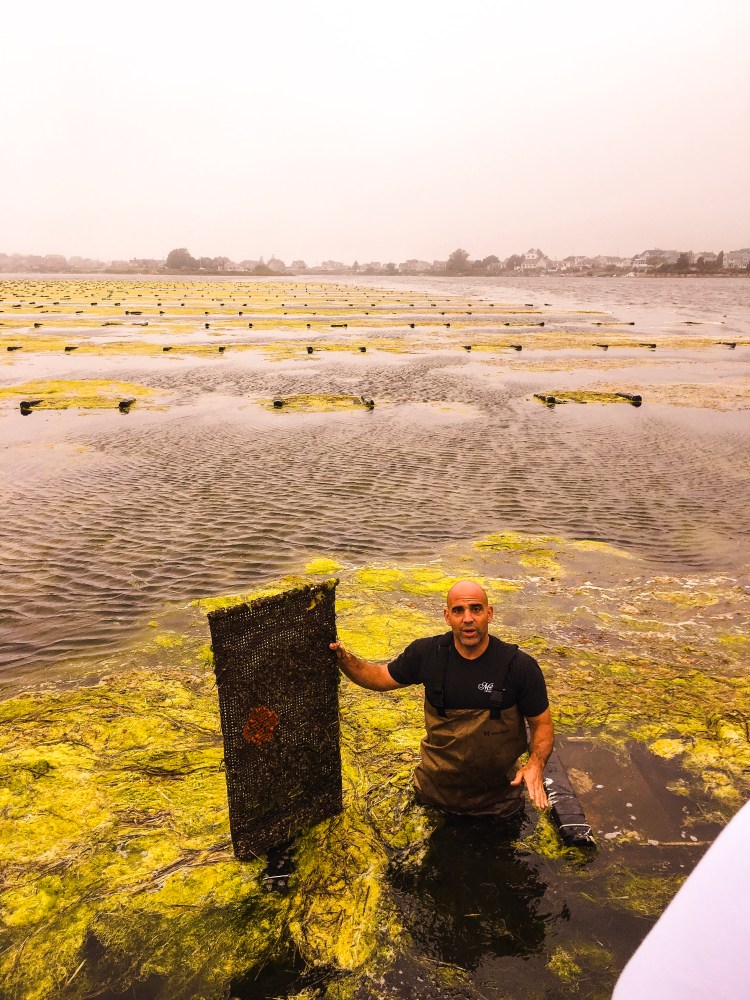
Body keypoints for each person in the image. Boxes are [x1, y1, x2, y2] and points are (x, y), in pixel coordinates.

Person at [330, 579, 554, 816]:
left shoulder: (520, 666)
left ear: (489, 614)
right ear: (447, 617)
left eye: (476, 609)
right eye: (458, 611)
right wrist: (344, 659)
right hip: (434, 796)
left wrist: (535, 765)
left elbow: (542, 724)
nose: (468, 618)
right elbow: (379, 677)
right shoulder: (427, 654)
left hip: (499, 802)